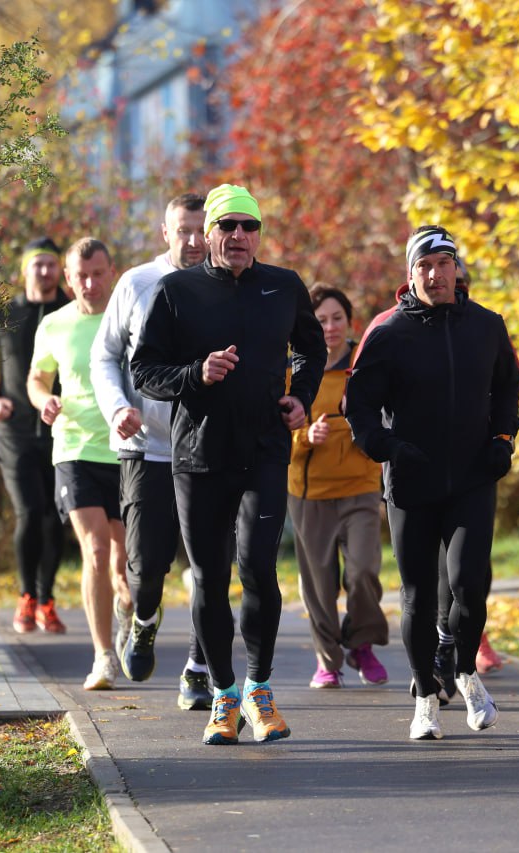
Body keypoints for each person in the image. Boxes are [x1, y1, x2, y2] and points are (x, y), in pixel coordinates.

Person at [130, 183, 326, 745]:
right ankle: (223, 696)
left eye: (249, 226)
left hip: (265, 451)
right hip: (198, 458)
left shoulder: (283, 286)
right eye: (228, 226)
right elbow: (145, 370)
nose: (239, 236)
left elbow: (312, 349)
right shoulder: (177, 291)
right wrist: (197, 374)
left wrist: (302, 396)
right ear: (208, 233)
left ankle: (261, 691)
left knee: (257, 568)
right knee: (211, 579)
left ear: (258, 234)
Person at [346, 225, 519, 741]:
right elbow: (357, 407)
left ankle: (465, 671)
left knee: (470, 583)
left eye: (444, 262)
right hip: (412, 481)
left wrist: (503, 438)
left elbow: (507, 388)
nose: (435, 273)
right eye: (425, 264)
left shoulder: (487, 326)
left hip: (471, 476)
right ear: (411, 274)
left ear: (456, 269)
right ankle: (425, 696)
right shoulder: (390, 332)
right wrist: (389, 448)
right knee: (419, 596)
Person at [90, 192, 213, 712]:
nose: (192, 241)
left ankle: (198, 670)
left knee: (211, 565)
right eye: (182, 231)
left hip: (208, 448)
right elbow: (105, 355)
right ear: (166, 233)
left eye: (199, 231)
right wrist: (118, 408)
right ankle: (142, 619)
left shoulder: (226, 286)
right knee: (146, 568)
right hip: (146, 446)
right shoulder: (138, 282)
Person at [27, 237, 133, 690]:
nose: (89, 283)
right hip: (75, 448)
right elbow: (36, 377)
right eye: (80, 276)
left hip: (128, 449)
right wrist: (43, 401)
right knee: (95, 549)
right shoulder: (54, 324)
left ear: (112, 272)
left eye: (97, 274)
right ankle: (104, 657)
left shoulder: (130, 319)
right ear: (68, 279)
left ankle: (127, 607)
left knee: (126, 564)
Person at [288, 285, 389, 689]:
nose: (329, 327)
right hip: (309, 492)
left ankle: (361, 643)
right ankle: (327, 660)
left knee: (365, 569)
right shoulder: (293, 368)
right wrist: (304, 437)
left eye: (336, 318)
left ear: (350, 321)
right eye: (320, 320)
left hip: (360, 486)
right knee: (318, 584)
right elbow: (276, 428)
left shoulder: (366, 364)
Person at [0, 238, 69, 635]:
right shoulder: (5, 313)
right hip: (14, 429)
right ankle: (26, 597)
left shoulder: (70, 310)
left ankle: (47, 600)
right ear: (25, 270)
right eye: (38, 265)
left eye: (50, 265)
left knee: (55, 518)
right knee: (30, 512)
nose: (44, 272)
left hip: (62, 424)